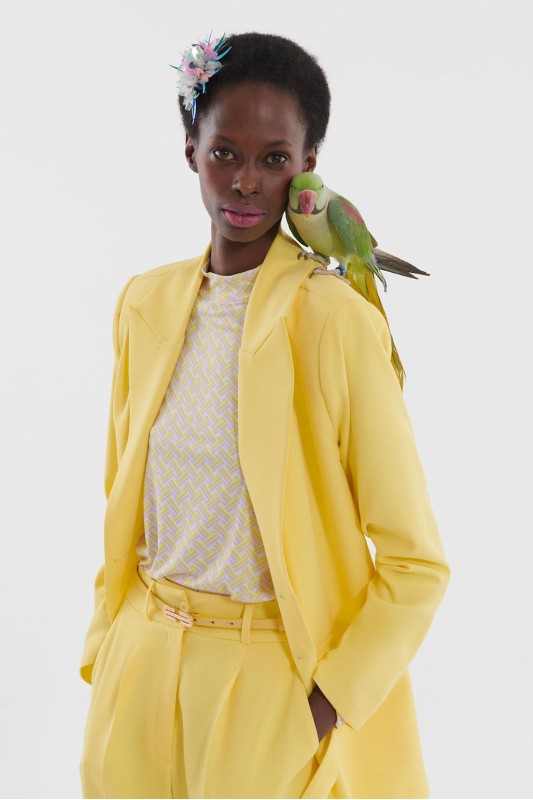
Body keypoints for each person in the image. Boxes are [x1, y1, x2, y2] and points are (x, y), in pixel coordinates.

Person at [79, 31, 450, 799]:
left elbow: (415, 563)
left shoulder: (333, 322)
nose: (245, 181)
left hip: (270, 680)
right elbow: (123, 495)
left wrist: (325, 703)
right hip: (139, 667)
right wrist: (108, 646)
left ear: (306, 164)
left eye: (273, 158)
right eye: (225, 153)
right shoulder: (144, 304)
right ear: (191, 151)